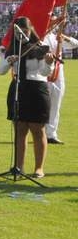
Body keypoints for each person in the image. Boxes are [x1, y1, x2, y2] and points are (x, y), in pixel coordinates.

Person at [0, 16, 55, 177]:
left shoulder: (41, 47)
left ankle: (39, 168)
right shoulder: (12, 49)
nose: (22, 36)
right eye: (19, 33)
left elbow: (44, 73)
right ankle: (19, 167)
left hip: (37, 89)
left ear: (31, 31)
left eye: (25, 32)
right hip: (18, 88)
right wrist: (9, 61)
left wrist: (49, 63)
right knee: (20, 129)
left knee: (38, 129)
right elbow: (0, 71)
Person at [43, 15, 78, 144]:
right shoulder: (40, 36)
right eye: (51, 20)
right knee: (42, 106)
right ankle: (40, 133)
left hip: (58, 75)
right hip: (44, 74)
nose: (54, 23)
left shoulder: (55, 37)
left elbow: (75, 44)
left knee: (55, 105)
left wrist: (64, 37)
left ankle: (51, 134)